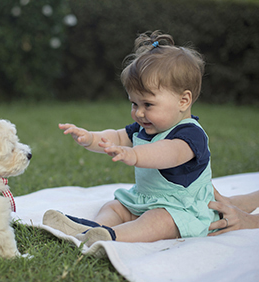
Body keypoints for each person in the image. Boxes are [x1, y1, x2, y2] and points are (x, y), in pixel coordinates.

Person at [43, 30, 220, 246]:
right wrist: (90, 138)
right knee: (115, 207)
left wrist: (135, 154)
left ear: (183, 101)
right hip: (144, 199)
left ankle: (113, 237)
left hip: (180, 208)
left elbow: (167, 153)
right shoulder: (146, 127)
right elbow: (117, 137)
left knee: (159, 220)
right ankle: (94, 229)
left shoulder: (190, 135)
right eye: (134, 104)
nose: (139, 113)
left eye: (148, 104)